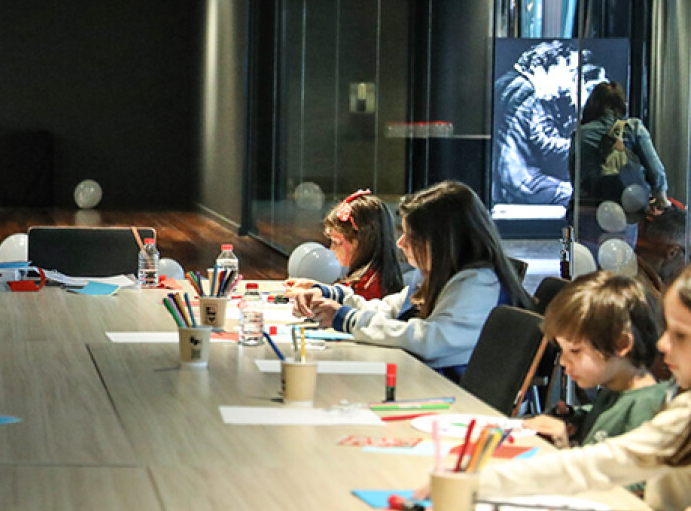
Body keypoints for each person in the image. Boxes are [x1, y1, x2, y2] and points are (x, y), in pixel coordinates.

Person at [478, 263, 691, 511]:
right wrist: (575, 420)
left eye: (681, 335)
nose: (662, 343)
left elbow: (611, 476)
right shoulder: (662, 401)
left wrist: (474, 484)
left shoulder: (662, 409)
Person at [292, 181, 533, 378]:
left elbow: (430, 341)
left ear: (442, 241)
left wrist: (346, 318)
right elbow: (389, 309)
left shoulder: (477, 284)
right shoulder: (436, 273)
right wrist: (331, 297)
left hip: (456, 393)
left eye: (411, 236)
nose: (401, 243)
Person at [523, 271, 671, 450]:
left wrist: (564, 451)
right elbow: (603, 417)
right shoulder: (615, 389)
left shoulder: (646, 411)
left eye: (575, 351)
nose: (562, 361)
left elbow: (623, 469)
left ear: (621, 344)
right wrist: (573, 418)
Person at [493, 41, 609, 207]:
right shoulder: (530, 95)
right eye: (570, 71)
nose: (571, 83)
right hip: (525, 182)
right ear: (550, 66)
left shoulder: (511, 83)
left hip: (509, 184)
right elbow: (546, 144)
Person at [569, 81, 671, 253]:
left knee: (589, 263)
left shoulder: (580, 134)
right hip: (624, 207)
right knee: (622, 261)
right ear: (621, 105)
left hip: (587, 209)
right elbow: (656, 171)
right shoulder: (633, 128)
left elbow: (575, 177)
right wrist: (661, 199)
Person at [287, 190, 405, 299]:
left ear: (360, 241)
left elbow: (349, 303)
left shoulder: (367, 287)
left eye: (336, 243)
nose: (331, 249)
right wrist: (317, 288)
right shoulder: (375, 279)